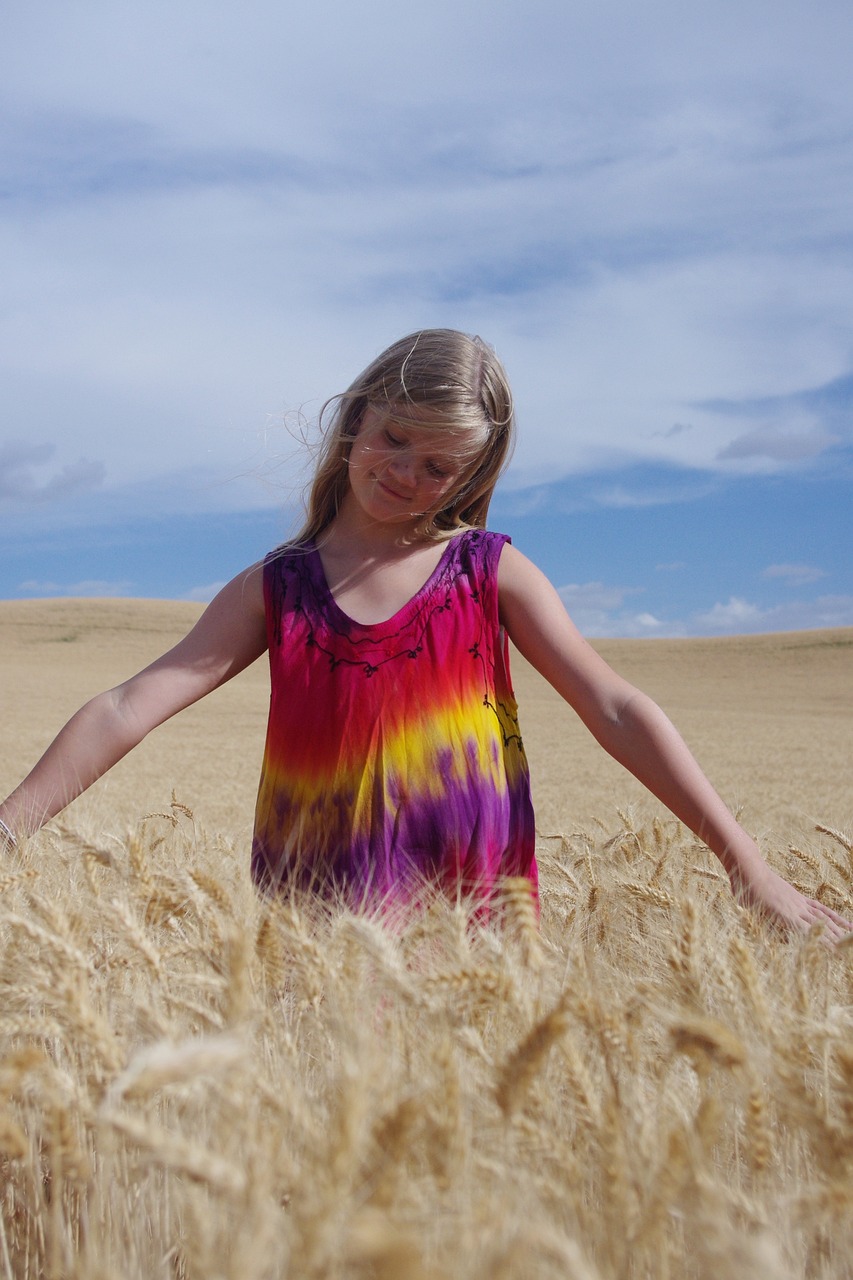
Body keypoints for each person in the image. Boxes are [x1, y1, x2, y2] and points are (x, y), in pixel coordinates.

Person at [0, 330, 849, 939]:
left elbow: (615, 708)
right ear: (356, 419)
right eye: (394, 440)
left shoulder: (489, 571)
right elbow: (126, 705)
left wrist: (750, 868)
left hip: (475, 923)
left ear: (472, 473)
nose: (405, 473)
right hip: (315, 923)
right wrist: (10, 829)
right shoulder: (277, 588)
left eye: (438, 465)